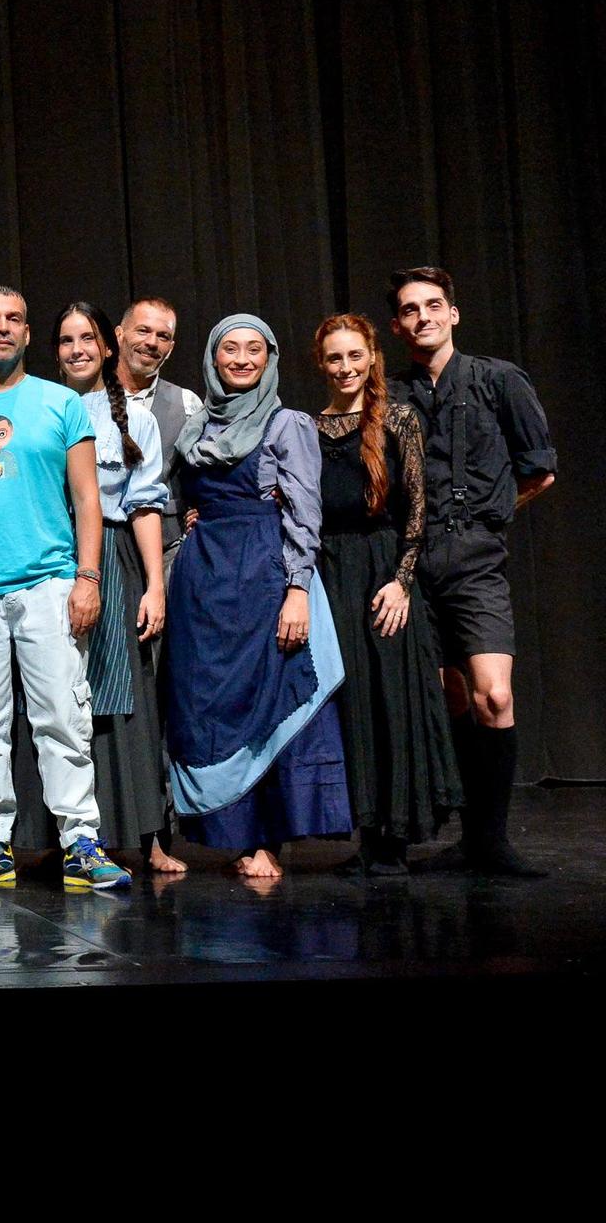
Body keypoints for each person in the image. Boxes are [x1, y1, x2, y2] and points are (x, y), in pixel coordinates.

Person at [0, 287, 131, 891]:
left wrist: (88, 578)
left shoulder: (61, 404)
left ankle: (81, 838)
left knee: (62, 717)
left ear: (28, 335)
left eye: (14, 321)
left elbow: (88, 500)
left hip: (50, 583)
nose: (2, 329)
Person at [164, 315, 348, 880]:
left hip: (266, 573)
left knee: (268, 700)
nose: (241, 359)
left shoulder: (286, 422)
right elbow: (181, 497)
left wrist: (297, 590)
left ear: (269, 358)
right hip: (205, 581)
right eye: (229, 349)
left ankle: (266, 839)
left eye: (253, 349)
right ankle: (233, 839)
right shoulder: (195, 427)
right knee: (208, 704)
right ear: (212, 360)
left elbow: (304, 511)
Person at [385, 266, 556, 875]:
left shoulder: (498, 380)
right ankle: (472, 838)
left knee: (494, 694)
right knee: (447, 697)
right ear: (398, 325)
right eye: (410, 309)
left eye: (433, 305)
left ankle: (493, 839)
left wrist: (487, 516)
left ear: (452, 313)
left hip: (476, 560)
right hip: (412, 562)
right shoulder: (393, 394)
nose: (423, 316)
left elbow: (539, 469)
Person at [312, 313, 461, 874]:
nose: (346, 367)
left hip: (383, 570)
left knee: (391, 698)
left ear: (372, 358)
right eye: (334, 358)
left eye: (355, 356)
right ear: (320, 364)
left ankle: (394, 838)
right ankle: (367, 831)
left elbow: (418, 510)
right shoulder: (308, 427)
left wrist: (401, 582)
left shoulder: (397, 419)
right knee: (351, 703)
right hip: (330, 572)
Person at [44, 302, 178, 873]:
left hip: (116, 561)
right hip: (51, 559)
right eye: (66, 339)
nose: (77, 349)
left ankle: (142, 834)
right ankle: (60, 835)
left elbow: (147, 505)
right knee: (55, 694)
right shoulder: (41, 408)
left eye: (87, 339)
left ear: (106, 348)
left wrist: (154, 585)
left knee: (122, 696)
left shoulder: (133, 419)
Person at [115, 297, 201, 572]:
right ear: (119, 334)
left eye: (162, 336)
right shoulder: (85, 399)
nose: (152, 342)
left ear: (171, 348)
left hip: (168, 552)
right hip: (105, 549)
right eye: (143, 331)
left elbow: (203, 477)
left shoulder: (187, 404)